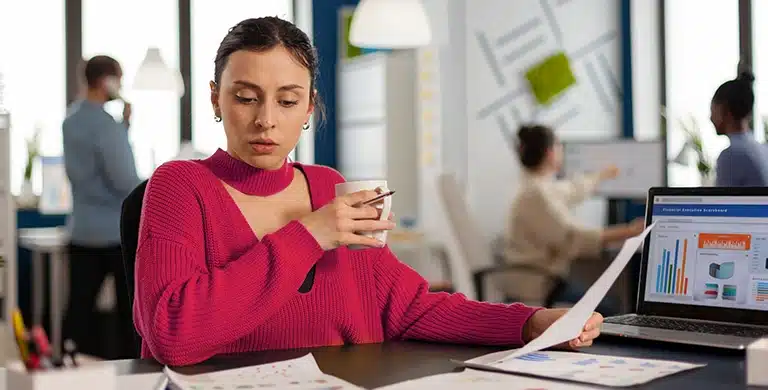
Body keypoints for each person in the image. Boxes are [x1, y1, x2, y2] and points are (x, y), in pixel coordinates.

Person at [133, 17, 604, 366]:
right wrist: (309, 234)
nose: (266, 120)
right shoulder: (179, 185)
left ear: (309, 107)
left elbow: (409, 308)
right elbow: (174, 334)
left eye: (288, 100)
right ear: (215, 98)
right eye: (245, 97)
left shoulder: (329, 185)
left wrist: (528, 323)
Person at [499, 125, 644, 315]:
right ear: (550, 153)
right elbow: (573, 237)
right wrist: (630, 230)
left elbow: (572, 189)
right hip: (539, 284)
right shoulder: (536, 195)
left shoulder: (538, 187)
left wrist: (602, 175)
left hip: (541, 277)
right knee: (610, 308)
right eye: (559, 146)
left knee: (609, 301)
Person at [62, 55, 141, 359]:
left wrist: (123, 126)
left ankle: (68, 365)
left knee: (79, 309)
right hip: (113, 234)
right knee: (128, 313)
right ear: (107, 81)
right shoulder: (106, 126)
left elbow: (94, 168)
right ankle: (130, 371)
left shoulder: (71, 120)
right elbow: (124, 180)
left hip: (81, 231)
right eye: (118, 80)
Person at [711, 68, 768, 186]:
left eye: (712, 111)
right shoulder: (763, 149)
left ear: (724, 110)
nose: (710, 118)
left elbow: (722, 198)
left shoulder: (731, 156)